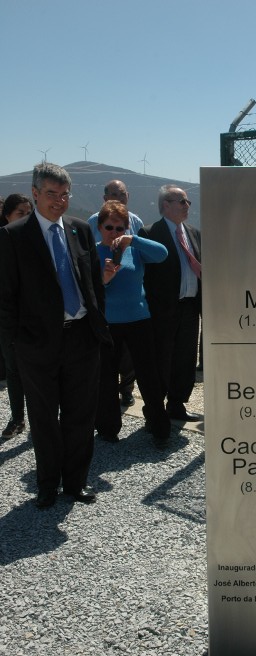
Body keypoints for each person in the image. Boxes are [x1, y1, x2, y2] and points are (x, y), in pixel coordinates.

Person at [0, 163, 112, 508]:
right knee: (44, 417)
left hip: (82, 338)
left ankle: (76, 482)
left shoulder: (80, 230)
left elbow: (94, 285)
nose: (59, 201)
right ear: (35, 194)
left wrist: (96, 326)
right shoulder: (13, 236)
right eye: (51, 193)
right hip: (37, 344)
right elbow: (5, 297)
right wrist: (16, 344)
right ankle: (47, 484)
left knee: (81, 415)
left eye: (65, 194)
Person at [95, 200, 171, 449]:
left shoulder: (134, 249)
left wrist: (133, 240)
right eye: (109, 227)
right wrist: (105, 279)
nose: (114, 233)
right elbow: (89, 289)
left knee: (149, 375)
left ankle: (159, 428)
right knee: (107, 377)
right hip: (108, 324)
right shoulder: (92, 252)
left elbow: (162, 254)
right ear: (100, 227)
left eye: (120, 228)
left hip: (139, 320)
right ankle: (107, 428)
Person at [140, 185, 202, 422]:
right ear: (166, 204)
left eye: (188, 202)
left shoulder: (194, 233)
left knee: (185, 359)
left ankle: (177, 404)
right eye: (182, 201)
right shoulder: (149, 233)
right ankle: (155, 410)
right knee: (161, 359)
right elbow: (145, 275)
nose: (187, 205)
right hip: (163, 310)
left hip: (189, 307)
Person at [88, 179, 143, 408]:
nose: (118, 198)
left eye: (121, 194)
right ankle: (105, 400)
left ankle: (127, 390)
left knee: (129, 355)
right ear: (104, 198)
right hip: (105, 297)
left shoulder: (136, 220)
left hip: (130, 293)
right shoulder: (93, 220)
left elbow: (144, 250)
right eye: (113, 194)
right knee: (108, 354)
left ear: (127, 197)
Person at [0, 194, 34, 439]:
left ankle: (43, 418)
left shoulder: (37, 241)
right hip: (8, 318)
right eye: (20, 213)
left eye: (29, 213)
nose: (26, 218)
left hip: (34, 317)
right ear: (7, 216)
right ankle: (17, 418)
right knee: (13, 370)